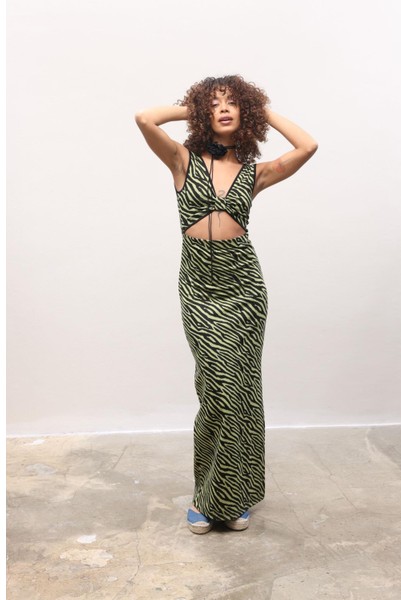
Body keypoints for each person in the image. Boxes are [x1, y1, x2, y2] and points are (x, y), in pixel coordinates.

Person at [134, 75, 318, 534]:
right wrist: (195, 107)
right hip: (199, 288)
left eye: (233, 103)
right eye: (214, 103)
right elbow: (145, 118)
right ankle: (210, 493)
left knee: (241, 390)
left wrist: (260, 108)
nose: (223, 108)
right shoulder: (181, 160)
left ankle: (231, 497)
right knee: (216, 388)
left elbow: (308, 146)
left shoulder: (254, 174)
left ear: (246, 113)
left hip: (245, 288)